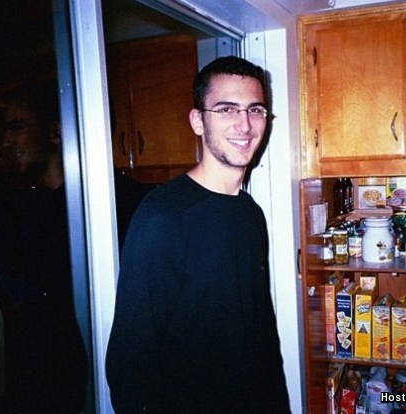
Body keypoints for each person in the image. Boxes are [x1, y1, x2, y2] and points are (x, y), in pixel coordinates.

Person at [106, 56, 291, 414]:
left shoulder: (250, 214)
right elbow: (130, 361)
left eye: (255, 110)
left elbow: (262, 336)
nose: (244, 124)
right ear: (197, 121)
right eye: (226, 109)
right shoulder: (163, 217)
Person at [0, 80, 88, 413]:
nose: (7, 141)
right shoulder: (28, 205)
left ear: (56, 132)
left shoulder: (86, 210)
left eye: (17, 126)